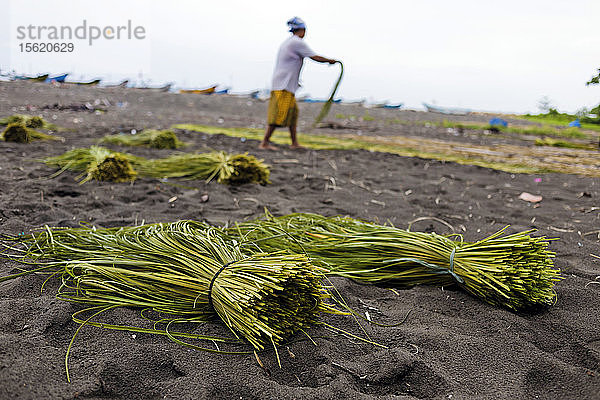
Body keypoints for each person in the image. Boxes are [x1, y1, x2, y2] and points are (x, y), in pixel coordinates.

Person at [259, 17, 338, 150]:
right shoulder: (296, 42)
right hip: (283, 85)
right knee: (279, 113)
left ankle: (294, 143)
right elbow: (314, 56)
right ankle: (264, 143)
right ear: (302, 30)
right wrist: (330, 61)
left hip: (287, 85)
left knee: (293, 113)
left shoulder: (290, 42)